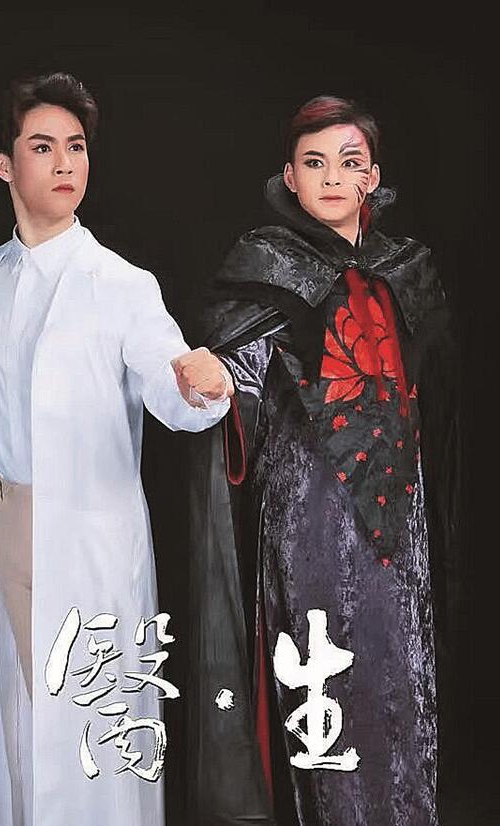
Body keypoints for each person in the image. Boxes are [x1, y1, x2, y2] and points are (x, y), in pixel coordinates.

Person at [0, 71, 232, 826]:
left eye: (76, 147)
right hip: (5, 520)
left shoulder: (120, 283)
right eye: (43, 147)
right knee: (18, 711)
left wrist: (201, 386)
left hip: (89, 532)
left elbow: (170, 388)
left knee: (91, 722)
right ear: (4, 165)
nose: (65, 164)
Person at [186, 95, 457, 825]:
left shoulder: (408, 269)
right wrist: (215, 379)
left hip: (398, 512)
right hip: (309, 507)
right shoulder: (266, 266)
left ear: (373, 177)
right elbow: (238, 371)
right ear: (290, 177)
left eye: (348, 161)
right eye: (314, 163)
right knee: (321, 682)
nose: (332, 177)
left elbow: (435, 397)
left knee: (398, 676)